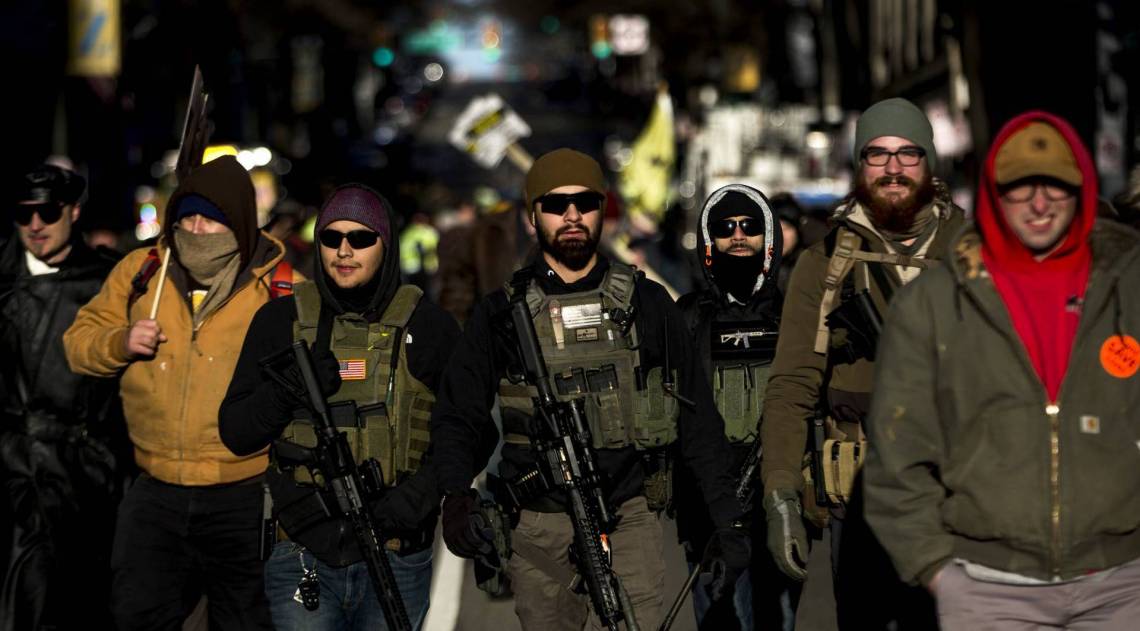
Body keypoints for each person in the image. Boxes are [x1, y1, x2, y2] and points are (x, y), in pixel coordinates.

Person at [430, 148, 750, 630]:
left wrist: (726, 517)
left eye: (585, 202)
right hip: (539, 526)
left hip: (630, 516)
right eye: (556, 205)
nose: (573, 216)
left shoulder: (647, 302)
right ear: (532, 218)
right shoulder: (501, 313)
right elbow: (459, 413)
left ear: (603, 209)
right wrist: (456, 496)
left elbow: (696, 415)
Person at [864, 111, 1140, 630]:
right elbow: (896, 454)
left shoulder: (1132, 285)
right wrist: (936, 569)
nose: (1039, 203)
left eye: (1055, 184)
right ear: (993, 191)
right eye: (1019, 187)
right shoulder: (935, 303)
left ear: (1081, 187)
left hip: (1123, 586)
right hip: (989, 589)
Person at [63, 155, 301, 630]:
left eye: (210, 220)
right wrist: (120, 342)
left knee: (244, 620)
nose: (196, 230)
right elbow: (77, 344)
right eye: (187, 217)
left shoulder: (281, 289)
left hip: (246, 493)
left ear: (237, 221)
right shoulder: (143, 271)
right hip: (155, 489)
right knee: (136, 614)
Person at [759, 97, 965, 629]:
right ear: (858, 165)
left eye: (907, 153)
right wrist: (780, 494)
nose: (893, 168)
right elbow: (792, 386)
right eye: (877, 154)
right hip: (857, 501)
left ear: (929, 163)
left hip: (958, 494)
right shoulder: (825, 263)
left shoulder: (973, 253)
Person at [218, 184, 459, 629]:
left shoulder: (428, 326)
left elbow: (467, 430)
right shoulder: (280, 320)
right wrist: (289, 389)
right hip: (302, 551)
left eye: (361, 238)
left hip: (397, 552)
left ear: (385, 244)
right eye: (332, 238)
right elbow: (235, 430)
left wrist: (418, 497)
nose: (344, 251)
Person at [0, 164, 125, 630]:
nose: (35, 225)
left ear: (73, 211)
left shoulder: (108, 282)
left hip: (87, 475)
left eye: (48, 212)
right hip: (13, 473)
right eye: (23, 212)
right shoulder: (3, 280)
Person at [674, 183, 799, 630]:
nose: (738, 236)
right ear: (710, 241)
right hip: (707, 509)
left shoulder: (793, 318)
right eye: (725, 228)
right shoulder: (686, 318)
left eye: (749, 226)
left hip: (779, 507)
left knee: (775, 618)